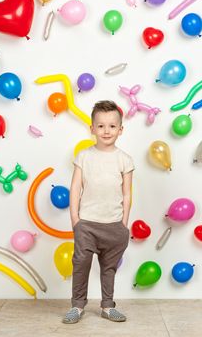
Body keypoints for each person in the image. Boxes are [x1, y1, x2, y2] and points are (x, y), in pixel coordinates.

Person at [62, 100, 134, 324]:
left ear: (120, 130)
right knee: (81, 265)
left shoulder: (125, 159)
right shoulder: (84, 156)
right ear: (92, 128)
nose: (106, 131)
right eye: (101, 126)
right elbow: (75, 187)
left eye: (112, 126)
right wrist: (75, 220)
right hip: (87, 224)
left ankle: (107, 306)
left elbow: (127, 194)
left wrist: (123, 223)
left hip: (114, 225)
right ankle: (77, 306)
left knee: (109, 268)